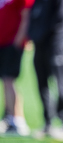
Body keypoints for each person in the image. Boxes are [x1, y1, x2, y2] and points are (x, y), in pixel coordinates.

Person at [28, 0, 63, 134]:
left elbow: (59, 18)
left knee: (61, 83)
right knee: (42, 84)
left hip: (56, 45)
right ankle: (47, 122)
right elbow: (34, 18)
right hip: (39, 45)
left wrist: (40, 34)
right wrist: (33, 36)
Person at [0, 0, 33, 135]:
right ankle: (9, 117)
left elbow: (26, 14)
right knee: (5, 81)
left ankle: (17, 120)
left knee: (9, 80)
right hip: (2, 43)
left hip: (12, 42)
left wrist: (20, 38)